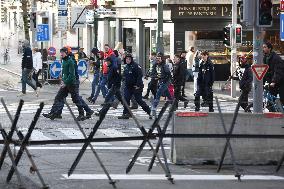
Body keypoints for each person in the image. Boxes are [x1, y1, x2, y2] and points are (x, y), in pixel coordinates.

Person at [42, 47, 85, 120]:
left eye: (62, 53)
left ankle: (81, 114)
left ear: (66, 53)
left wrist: (65, 82)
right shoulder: (64, 61)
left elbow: (72, 75)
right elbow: (65, 73)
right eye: (61, 52)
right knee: (58, 97)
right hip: (66, 83)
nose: (61, 54)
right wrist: (62, 80)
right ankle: (54, 113)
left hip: (72, 83)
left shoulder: (70, 61)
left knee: (76, 99)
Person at [118, 53, 152, 119]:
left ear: (131, 59)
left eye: (129, 59)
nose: (127, 60)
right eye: (126, 59)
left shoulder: (136, 66)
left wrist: (138, 85)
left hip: (136, 87)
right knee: (126, 99)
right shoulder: (126, 66)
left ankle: (149, 111)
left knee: (139, 100)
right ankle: (126, 113)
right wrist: (122, 78)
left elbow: (140, 76)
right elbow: (124, 75)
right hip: (128, 87)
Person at [151, 53, 173, 117]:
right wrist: (155, 77)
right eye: (157, 58)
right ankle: (172, 104)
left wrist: (163, 80)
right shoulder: (155, 65)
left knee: (158, 93)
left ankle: (154, 107)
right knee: (167, 94)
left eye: (159, 58)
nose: (157, 60)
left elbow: (168, 74)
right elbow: (153, 73)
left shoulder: (164, 66)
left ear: (161, 59)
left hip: (166, 81)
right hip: (161, 81)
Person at [263, 42, 284, 106]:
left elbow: (278, 71)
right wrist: (262, 82)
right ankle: (273, 110)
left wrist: (274, 81)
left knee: (282, 97)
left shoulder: (276, 58)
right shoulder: (265, 58)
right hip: (271, 80)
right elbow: (264, 71)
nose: (263, 49)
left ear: (269, 48)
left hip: (280, 80)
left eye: (265, 47)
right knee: (271, 97)